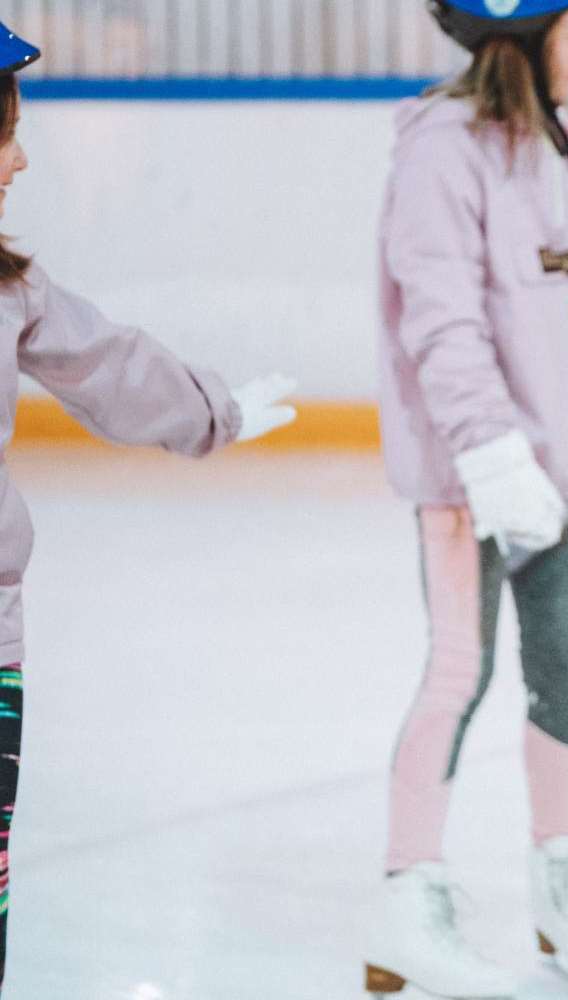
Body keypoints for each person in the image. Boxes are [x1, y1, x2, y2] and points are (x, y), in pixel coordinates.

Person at [368, 2, 568, 995]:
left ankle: (558, 880)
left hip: (560, 468)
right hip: (471, 480)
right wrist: (487, 453)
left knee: (562, 669)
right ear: (518, 38)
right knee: (455, 675)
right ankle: (404, 896)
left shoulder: (560, 138)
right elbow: (440, 319)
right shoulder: (439, 154)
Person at [0, 20, 298, 986]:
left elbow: (105, 360)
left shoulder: (11, 284)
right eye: (5, 130)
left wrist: (213, 411)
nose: (21, 156)